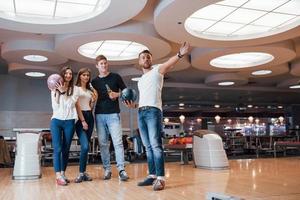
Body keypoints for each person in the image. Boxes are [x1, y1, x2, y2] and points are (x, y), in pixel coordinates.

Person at [124, 42, 190, 190]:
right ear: (139, 61)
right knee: (147, 146)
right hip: (141, 112)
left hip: (154, 111)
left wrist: (179, 54)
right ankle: (152, 175)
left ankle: (160, 178)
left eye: (148, 57)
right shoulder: (140, 81)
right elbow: (143, 99)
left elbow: (169, 63)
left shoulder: (157, 70)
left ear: (151, 60)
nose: (146, 59)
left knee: (155, 145)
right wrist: (133, 106)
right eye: (143, 57)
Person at [91, 55, 129, 181]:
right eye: (101, 63)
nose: (104, 65)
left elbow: (126, 92)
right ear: (97, 66)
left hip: (113, 114)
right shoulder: (94, 82)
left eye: (105, 63)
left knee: (118, 142)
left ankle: (121, 170)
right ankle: (107, 169)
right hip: (99, 115)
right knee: (102, 143)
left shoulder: (116, 77)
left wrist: (117, 94)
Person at [50, 66, 83, 186]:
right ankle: (58, 176)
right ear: (62, 75)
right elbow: (55, 107)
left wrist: (64, 92)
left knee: (65, 149)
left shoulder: (76, 89)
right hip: (56, 121)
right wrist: (60, 91)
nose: (68, 75)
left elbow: (70, 104)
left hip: (69, 121)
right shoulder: (54, 89)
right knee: (57, 149)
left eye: (70, 73)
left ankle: (63, 173)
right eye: (66, 73)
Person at [74, 68, 98, 183]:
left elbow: (90, 106)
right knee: (84, 146)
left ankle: (83, 172)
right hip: (80, 118)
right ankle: (80, 173)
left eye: (88, 75)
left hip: (90, 116)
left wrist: (93, 101)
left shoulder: (89, 91)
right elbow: (77, 105)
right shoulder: (76, 89)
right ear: (80, 76)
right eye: (84, 75)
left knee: (86, 147)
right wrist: (83, 121)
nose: (86, 77)